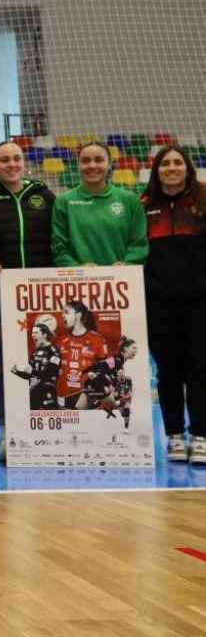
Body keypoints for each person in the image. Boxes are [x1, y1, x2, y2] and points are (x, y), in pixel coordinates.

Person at [0, 140, 56, 459]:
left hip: (41, 293)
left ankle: (45, 428)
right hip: (1, 294)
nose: (11, 164)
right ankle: (9, 431)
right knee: (3, 364)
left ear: (24, 163)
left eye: (16, 159)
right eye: (4, 160)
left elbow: (59, 237)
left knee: (44, 361)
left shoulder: (44, 196)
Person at [141, 145, 206, 462]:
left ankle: (201, 434)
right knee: (168, 371)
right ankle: (175, 435)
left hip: (199, 303)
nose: (171, 168)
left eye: (177, 162)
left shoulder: (202, 201)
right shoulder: (143, 206)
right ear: (157, 170)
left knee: (200, 369)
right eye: (165, 163)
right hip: (158, 303)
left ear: (187, 168)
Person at [52, 141, 148, 267]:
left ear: (109, 165)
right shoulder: (63, 202)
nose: (92, 165)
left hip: (123, 282)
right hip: (78, 282)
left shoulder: (130, 200)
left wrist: (127, 265)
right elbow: (58, 248)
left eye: (99, 160)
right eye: (85, 161)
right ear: (78, 165)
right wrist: (77, 269)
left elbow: (139, 244)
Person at [54, 301, 108, 410]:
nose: (62, 315)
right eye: (62, 313)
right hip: (61, 399)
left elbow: (107, 368)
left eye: (66, 312)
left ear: (78, 316)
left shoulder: (97, 340)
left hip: (85, 399)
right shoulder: (60, 341)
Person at [9, 322, 61, 411]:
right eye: (32, 333)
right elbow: (31, 376)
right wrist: (17, 372)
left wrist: (32, 372)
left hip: (48, 392)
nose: (33, 335)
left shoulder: (54, 351)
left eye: (36, 333)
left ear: (44, 335)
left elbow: (51, 373)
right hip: (34, 392)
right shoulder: (34, 353)